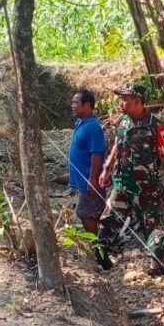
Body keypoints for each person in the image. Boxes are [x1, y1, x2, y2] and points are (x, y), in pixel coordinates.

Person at [95, 82, 164, 271]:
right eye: (121, 98)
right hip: (122, 184)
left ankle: (157, 265)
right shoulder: (123, 122)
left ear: (138, 101)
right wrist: (107, 167)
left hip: (147, 188)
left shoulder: (157, 127)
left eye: (125, 99)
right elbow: (117, 143)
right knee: (108, 219)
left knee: (151, 226)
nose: (121, 102)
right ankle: (101, 258)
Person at [68, 88, 110, 266]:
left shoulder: (92, 127)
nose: (73, 106)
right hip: (83, 178)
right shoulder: (81, 123)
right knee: (92, 213)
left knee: (84, 212)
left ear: (87, 105)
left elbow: (97, 154)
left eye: (76, 103)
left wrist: (93, 178)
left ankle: (99, 250)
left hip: (89, 180)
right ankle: (100, 249)